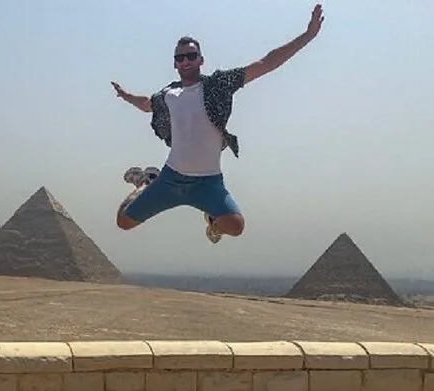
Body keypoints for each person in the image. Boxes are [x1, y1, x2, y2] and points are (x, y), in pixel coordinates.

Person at [112, 4, 324, 243]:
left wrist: (308, 36)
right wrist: (126, 96)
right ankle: (145, 181)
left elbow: (266, 63)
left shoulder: (218, 85)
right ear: (175, 64)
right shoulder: (168, 95)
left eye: (191, 56)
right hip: (170, 179)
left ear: (201, 60)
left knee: (235, 226)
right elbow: (146, 104)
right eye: (180, 57)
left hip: (208, 181)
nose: (185, 61)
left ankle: (213, 219)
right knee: (123, 222)